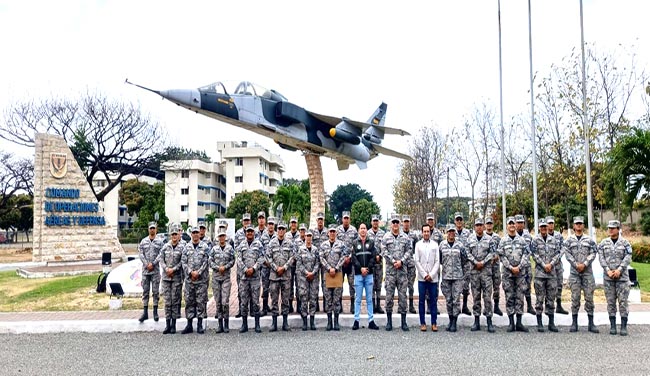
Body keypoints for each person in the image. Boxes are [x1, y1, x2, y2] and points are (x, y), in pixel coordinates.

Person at [563, 216, 599, 333]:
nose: (578, 226)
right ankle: (574, 323)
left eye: (580, 224)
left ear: (583, 226)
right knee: (575, 298)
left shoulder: (589, 240)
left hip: (587, 273)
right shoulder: (568, 240)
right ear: (573, 226)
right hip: (575, 274)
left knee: (589, 298)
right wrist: (575, 264)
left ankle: (591, 323)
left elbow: (594, 252)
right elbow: (567, 254)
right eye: (576, 224)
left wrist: (585, 263)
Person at [598, 220, 633, 336]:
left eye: (613, 228)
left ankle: (623, 326)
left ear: (618, 229)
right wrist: (607, 270)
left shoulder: (625, 243)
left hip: (622, 278)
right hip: (608, 278)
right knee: (611, 302)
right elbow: (601, 258)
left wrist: (619, 270)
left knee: (623, 302)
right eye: (609, 228)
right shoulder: (603, 243)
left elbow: (628, 257)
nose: (610, 230)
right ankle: (612, 326)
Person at [498, 217, 530, 333]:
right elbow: (501, 256)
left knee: (520, 297)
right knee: (509, 297)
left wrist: (519, 267)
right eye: (509, 223)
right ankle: (511, 323)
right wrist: (511, 268)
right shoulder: (503, 241)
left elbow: (526, 255)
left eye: (513, 223)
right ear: (507, 226)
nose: (512, 225)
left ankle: (519, 323)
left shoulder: (522, 241)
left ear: (516, 225)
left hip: (520, 274)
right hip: (508, 274)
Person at [381, 214, 412, 332]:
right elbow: (383, 250)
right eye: (393, 222)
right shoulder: (386, 237)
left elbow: (409, 250)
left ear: (399, 224)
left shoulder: (405, 237)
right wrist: (394, 261)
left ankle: (403, 321)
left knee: (403, 296)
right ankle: (389, 321)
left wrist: (402, 261)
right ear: (390, 224)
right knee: (389, 297)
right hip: (390, 272)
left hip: (402, 272)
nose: (395, 225)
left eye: (397, 222)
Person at [530, 219, 561, 332]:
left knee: (551, 299)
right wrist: (544, 265)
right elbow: (534, 254)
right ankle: (539, 323)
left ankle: (551, 323)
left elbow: (558, 253)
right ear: (539, 228)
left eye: (545, 227)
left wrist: (551, 264)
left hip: (551, 273)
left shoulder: (554, 240)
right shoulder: (535, 240)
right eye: (542, 227)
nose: (543, 228)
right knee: (539, 299)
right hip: (540, 274)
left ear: (548, 227)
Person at [465, 218, 496, 333]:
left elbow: (492, 252)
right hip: (474, 272)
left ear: (483, 227)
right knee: (476, 296)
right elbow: (467, 253)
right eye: (477, 225)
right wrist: (474, 261)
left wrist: (483, 262)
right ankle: (476, 321)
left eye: (480, 225)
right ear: (474, 227)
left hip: (486, 272)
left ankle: (489, 321)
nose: (479, 227)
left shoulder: (489, 239)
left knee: (487, 297)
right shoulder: (470, 239)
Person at [180, 226, 210, 334]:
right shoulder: (186, 247)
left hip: (201, 280)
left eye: (197, 232)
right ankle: (189, 325)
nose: (196, 234)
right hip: (189, 280)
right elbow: (183, 262)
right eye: (194, 233)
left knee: (200, 302)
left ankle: (200, 325)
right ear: (191, 234)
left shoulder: (205, 247)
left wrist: (198, 272)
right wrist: (190, 272)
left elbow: (206, 261)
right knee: (189, 301)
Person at [267, 222, 295, 332]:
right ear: (276, 230)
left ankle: (285, 322)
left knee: (285, 299)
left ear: (285, 230)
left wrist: (284, 267)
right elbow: (268, 257)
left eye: (283, 229)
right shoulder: (271, 243)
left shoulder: (289, 243)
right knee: (274, 299)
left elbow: (292, 257)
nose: (281, 231)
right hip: (274, 276)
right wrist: (275, 268)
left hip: (285, 275)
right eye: (279, 229)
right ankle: (274, 323)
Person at [351, 223, 380, 330]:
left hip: (369, 275)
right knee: (357, 299)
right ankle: (356, 320)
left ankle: (371, 320)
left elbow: (373, 257)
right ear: (359, 230)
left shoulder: (371, 242)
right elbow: (353, 258)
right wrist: (360, 269)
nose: (363, 230)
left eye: (364, 228)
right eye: (361, 228)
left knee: (369, 299)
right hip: (358, 275)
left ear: (366, 230)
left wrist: (367, 268)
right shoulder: (354, 243)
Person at [236, 226, 264, 333]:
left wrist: (254, 268)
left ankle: (257, 324)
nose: (250, 233)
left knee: (256, 302)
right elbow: (238, 259)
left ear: (254, 233)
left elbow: (261, 258)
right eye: (248, 231)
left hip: (255, 277)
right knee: (244, 301)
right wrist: (245, 269)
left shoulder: (258, 244)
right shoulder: (241, 245)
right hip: (244, 278)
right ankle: (244, 324)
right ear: (245, 233)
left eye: (251, 231)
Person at [440, 224, 466, 332]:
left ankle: (455, 322)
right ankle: (450, 320)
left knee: (456, 300)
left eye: (453, 231)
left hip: (457, 277)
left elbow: (464, 260)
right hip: (446, 277)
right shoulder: (442, 245)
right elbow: (440, 260)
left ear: (455, 233)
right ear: (446, 232)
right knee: (449, 300)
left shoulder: (460, 246)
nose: (451, 233)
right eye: (449, 231)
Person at [320, 224, 346, 331]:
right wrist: (329, 268)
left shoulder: (341, 244)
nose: (332, 233)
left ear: (336, 233)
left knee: (336, 298)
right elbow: (321, 257)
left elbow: (343, 257)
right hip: (327, 275)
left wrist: (335, 268)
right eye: (330, 231)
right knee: (328, 298)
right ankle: (329, 322)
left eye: (333, 232)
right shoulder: (323, 245)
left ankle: (336, 322)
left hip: (337, 274)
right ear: (328, 233)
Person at [414, 224, 440, 332]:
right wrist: (424, 274)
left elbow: (437, 261)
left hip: (433, 278)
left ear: (430, 232)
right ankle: (423, 323)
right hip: (422, 278)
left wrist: (432, 274)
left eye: (428, 231)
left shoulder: (435, 245)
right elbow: (417, 261)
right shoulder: (418, 245)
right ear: (421, 232)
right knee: (421, 301)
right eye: (424, 231)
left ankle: (434, 323)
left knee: (433, 301)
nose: (426, 233)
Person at [209, 227, 235, 334]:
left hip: (226, 278)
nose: (222, 238)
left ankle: (226, 323)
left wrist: (225, 267)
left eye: (223, 236)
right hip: (216, 278)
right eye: (220, 236)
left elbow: (233, 260)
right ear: (218, 238)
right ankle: (220, 325)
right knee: (218, 302)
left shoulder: (229, 248)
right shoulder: (214, 249)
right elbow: (210, 261)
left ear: (226, 237)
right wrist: (217, 267)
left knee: (225, 301)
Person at [159, 225, 184, 334]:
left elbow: (182, 262)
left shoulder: (182, 248)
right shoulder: (165, 247)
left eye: (176, 234)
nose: (174, 236)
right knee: (167, 302)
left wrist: (173, 270)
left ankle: (173, 325)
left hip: (176, 278)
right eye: (172, 234)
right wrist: (166, 269)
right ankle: (167, 325)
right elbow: (161, 259)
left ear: (179, 235)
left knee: (175, 301)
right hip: (166, 278)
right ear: (170, 235)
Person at [138, 221, 164, 323]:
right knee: (145, 291)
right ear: (148, 229)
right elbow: (141, 254)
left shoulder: (159, 241)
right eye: (150, 228)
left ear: (156, 229)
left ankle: (155, 312)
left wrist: (153, 264)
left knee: (155, 291)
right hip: (145, 271)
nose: (152, 230)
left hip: (155, 270)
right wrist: (146, 264)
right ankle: (145, 312)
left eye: (154, 228)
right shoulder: (143, 241)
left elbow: (161, 254)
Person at [296, 230, 320, 330]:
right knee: (304, 299)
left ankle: (312, 321)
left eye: (310, 236)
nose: (309, 238)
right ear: (304, 237)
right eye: (307, 236)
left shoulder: (315, 249)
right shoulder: (300, 249)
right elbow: (299, 263)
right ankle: (305, 321)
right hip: (303, 278)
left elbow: (318, 263)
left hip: (313, 278)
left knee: (313, 298)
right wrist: (306, 273)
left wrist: (313, 273)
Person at [337, 211, 359, 314]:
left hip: (350, 262)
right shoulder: (338, 230)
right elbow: (336, 245)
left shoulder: (354, 230)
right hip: (341, 263)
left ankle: (352, 305)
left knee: (352, 284)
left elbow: (355, 245)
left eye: (347, 218)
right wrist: (343, 258)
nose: (346, 220)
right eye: (344, 218)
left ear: (349, 219)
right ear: (342, 219)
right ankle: (339, 305)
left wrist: (349, 257)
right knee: (339, 284)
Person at [547, 216, 569, 315]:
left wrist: (556, 258)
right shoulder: (543, 235)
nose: (550, 225)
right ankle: (548, 305)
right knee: (548, 286)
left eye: (552, 223)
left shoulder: (558, 236)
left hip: (558, 265)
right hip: (548, 265)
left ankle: (559, 305)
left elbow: (563, 248)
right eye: (549, 223)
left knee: (559, 284)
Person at [515, 214, 535, 315]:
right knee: (516, 287)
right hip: (515, 267)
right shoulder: (512, 235)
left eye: (521, 223)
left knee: (527, 286)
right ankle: (516, 306)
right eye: (518, 223)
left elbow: (532, 250)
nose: (520, 224)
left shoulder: (528, 236)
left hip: (526, 266)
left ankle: (530, 306)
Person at [453, 212, 472, 316]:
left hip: (465, 264)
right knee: (456, 286)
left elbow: (469, 247)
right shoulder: (452, 232)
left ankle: (464, 306)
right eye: (457, 220)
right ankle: (456, 307)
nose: (459, 222)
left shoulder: (468, 233)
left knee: (465, 285)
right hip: (455, 264)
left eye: (460, 220)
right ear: (455, 221)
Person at [485, 217, 503, 316]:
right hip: (486, 267)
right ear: (485, 225)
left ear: (493, 225)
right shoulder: (482, 237)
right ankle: (487, 307)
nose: (489, 225)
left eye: (490, 224)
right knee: (486, 288)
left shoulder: (497, 237)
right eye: (487, 224)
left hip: (495, 266)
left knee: (496, 286)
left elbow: (501, 249)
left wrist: (496, 256)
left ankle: (496, 306)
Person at [310, 212, 328, 312]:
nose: (320, 221)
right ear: (316, 221)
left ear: (323, 221)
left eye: (322, 219)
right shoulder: (313, 232)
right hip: (316, 261)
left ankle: (326, 304)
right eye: (319, 220)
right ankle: (315, 303)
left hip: (325, 261)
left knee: (325, 283)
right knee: (315, 283)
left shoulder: (328, 231)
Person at [401, 215, 419, 314]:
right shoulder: (399, 234)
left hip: (411, 264)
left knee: (411, 286)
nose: (406, 223)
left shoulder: (413, 235)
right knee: (402, 286)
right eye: (405, 222)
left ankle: (411, 305)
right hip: (402, 265)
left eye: (408, 222)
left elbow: (416, 248)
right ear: (402, 223)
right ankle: (402, 305)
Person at [259, 216, 277, 316]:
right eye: (269, 224)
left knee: (274, 288)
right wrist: (265, 262)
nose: (270, 226)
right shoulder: (263, 237)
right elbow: (260, 252)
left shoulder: (276, 236)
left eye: (272, 224)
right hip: (265, 267)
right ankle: (265, 307)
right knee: (265, 287)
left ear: (274, 226)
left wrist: (273, 264)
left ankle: (273, 307)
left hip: (274, 268)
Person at [368, 214, 385, 314]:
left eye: (376, 221)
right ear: (371, 222)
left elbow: (385, 247)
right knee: (371, 285)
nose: (375, 222)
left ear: (378, 222)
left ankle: (378, 305)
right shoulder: (368, 233)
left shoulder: (383, 234)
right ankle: (372, 305)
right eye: (373, 221)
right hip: (370, 263)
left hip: (379, 263)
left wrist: (380, 256)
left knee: (378, 285)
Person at [287, 217, 301, 314]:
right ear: (290, 224)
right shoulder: (286, 235)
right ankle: (290, 305)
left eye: (295, 223)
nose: (293, 225)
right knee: (289, 285)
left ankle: (299, 305)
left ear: (297, 224)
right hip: (289, 265)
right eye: (292, 223)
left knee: (299, 284)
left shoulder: (301, 235)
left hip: (299, 265)